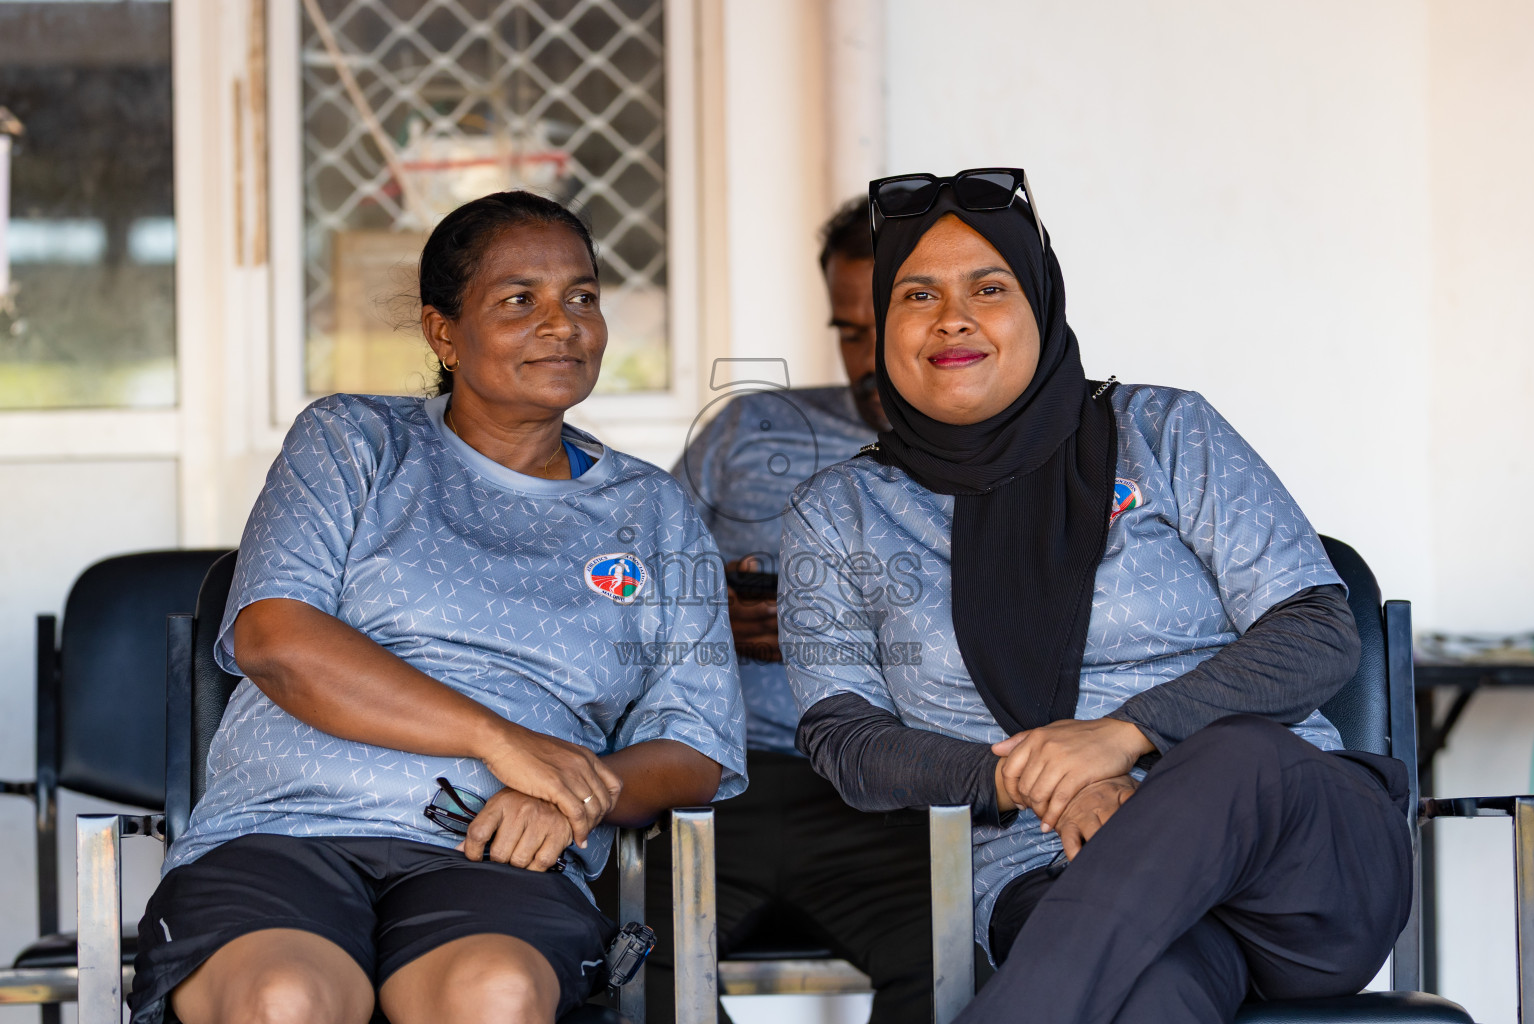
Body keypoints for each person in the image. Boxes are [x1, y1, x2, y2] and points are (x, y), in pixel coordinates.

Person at [780, 168, 1412, 1024]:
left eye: (988, 288)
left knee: (1235, 756)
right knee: (1151, 997)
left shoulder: (1165, 432)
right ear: (882, 326)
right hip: (1056, 869)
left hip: (1297, 871)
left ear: (1040, 303)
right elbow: (845, 738)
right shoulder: (842, 514)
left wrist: (1122, 739)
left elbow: (1316, 631)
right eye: (917, 294)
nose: (952, 317)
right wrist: (1046, 784)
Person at [128, 191, 747, 1024]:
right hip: (285, 832)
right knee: (285, 998)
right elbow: (276, 637)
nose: (563, 324)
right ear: (444, 333)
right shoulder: (356, 442)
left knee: (493, 995)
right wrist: (502, 741)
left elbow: (695, 747)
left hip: (499, 857)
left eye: (584, 297)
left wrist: (570, 792)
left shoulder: (654, 513)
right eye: (519, 300)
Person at [642, 200, 934, 1024]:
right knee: (610, 967)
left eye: (892, 321)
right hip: (713, 783)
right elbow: (629, 591)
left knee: (962, 972)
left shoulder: (1009, 465)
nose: (870, 359)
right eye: (849, 331)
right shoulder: (750, 427)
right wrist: (708, 619)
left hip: (898, 799)